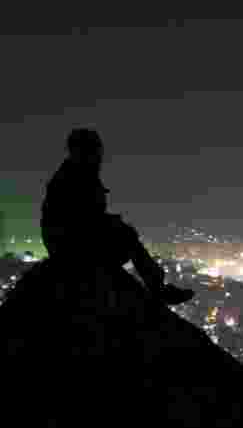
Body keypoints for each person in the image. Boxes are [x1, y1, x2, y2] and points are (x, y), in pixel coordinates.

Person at [41, 128, 194, 305]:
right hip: (71, 247)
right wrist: (112, 224)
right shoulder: (73, 178)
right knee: (128, 237)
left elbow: (84, 216)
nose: (99, 156)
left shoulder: (76, 175)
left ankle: (157, 287)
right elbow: (79, 220)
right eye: (95, 150)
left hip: (70, 244)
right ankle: (158, 289)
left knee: (127, 235)